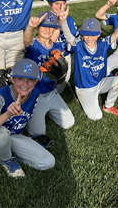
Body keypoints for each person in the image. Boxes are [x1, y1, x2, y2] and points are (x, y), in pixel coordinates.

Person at [0, 58, 56, 179]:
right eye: (20, 78)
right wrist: (8, 114)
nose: (25, 84)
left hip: (12, 136)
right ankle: (6, 159)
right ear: (12, 79)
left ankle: (5, 152)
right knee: (1, 134)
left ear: (36, 81)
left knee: (48, 162)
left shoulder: (34, 93)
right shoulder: (0, 96)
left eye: (30, 79)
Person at [60, 13, 118, 120]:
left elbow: (116, 34)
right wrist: (63, 22)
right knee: (96, 117)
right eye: (86, 34)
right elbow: (68, 36)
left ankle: (109, 105)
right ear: (82, 34)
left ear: (99, 34)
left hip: (99, 82)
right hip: (85, 88)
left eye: (93, 35)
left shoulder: (102, 44)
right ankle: (81, 97)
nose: (89, 38)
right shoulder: (79, 46)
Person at [22, 11, 75, 139]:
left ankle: (46, 111)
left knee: (69, 123)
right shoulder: (33, 45)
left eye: (51, 27)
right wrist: (30, 27)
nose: (47, 30)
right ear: (38, 28)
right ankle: (28, 110)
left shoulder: (57, 47)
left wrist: (61, 76)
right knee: (38, 134)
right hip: (34, 94)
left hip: (51, 92)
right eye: (44, 26)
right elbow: (26, 40)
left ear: (55, 29)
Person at [47, 0, 77, 94]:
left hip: (68, 55)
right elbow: (46, 46)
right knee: (54, 91)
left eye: (63, 3)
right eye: (56, 3)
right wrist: (60, 22)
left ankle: (81, 86)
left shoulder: (69, 19)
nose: (60, 7)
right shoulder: (45, 19)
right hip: (52, 59)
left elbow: (76, 41)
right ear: (49, 2)